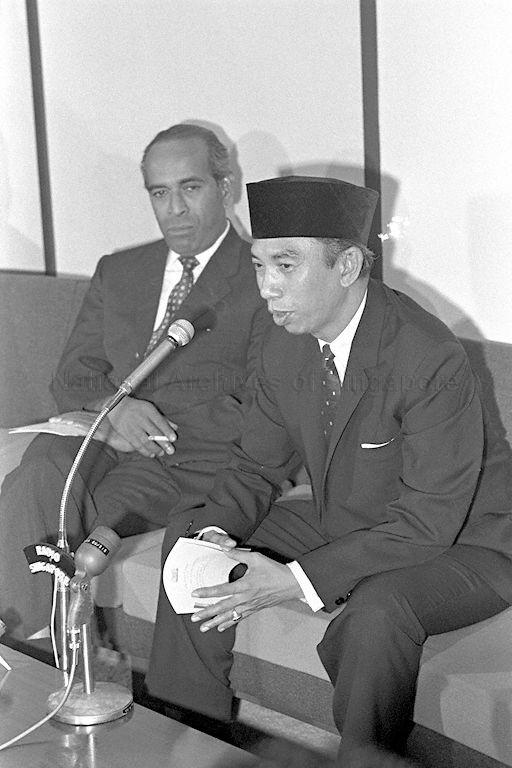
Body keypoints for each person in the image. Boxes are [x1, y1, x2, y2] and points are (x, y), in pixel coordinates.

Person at [145, 175, 512, 764]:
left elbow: (426, 524)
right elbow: (255, 467)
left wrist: (294, 580)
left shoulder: (426, 355)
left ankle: (365, 758)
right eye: (260, 265)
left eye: (285, 266)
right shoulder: (283, 341)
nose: (267, 286)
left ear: (347, 266)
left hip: (467, 541)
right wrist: (214, 536)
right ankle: (188, 736)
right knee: (188, 538)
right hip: (351, 519)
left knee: (377, 614)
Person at [0, 123, 271, 641]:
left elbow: (262, 401)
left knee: (78, 512)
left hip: (188, 456)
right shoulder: (120, 269)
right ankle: (30, 638)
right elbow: (72, 376)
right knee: (38, 468)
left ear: (225, 187)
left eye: (190, 188)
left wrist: (154, 428)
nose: (175, 209)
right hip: (101, 433)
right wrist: (117, 411)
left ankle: (30, 640)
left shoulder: (262, 276)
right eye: (159, 193)